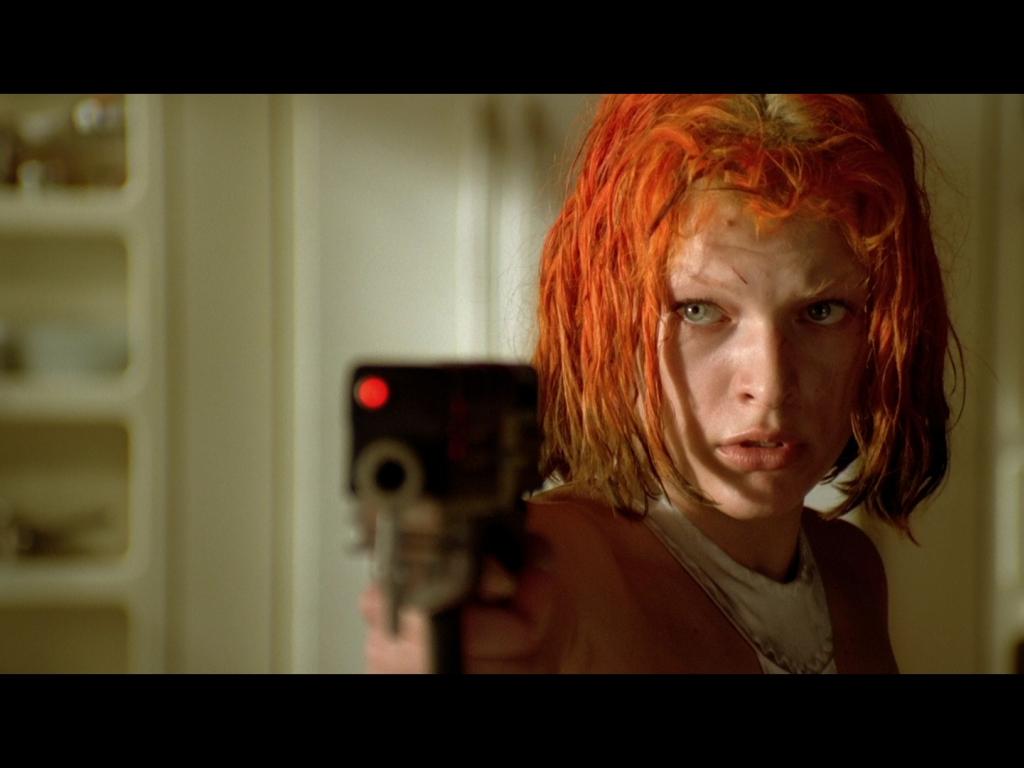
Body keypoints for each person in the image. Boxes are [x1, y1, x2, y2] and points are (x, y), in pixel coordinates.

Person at [360, 94, 961, 673]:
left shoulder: (851, 571)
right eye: (699, 310)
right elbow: (491, 635)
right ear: (609, 322)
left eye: (822, 312)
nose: (769, 386)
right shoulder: (561, 571)